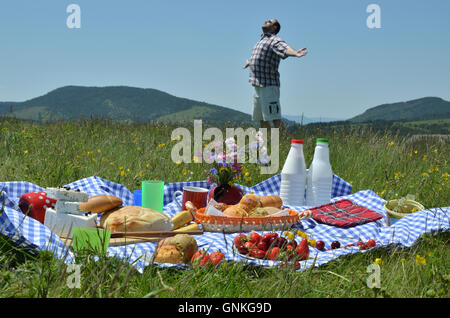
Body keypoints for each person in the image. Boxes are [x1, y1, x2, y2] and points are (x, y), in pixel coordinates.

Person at [243, 19, 308, 130]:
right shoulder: (261, 40)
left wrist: (295, 53)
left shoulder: (274, 40)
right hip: (258, 85)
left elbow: (284, 48)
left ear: (274, 28)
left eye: (269, 21)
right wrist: (250, 62)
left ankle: (279, 142)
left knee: (274, 117)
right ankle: (267, 144)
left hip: (268, 85)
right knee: (262, 118)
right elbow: (261, 58)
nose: (265, 21)